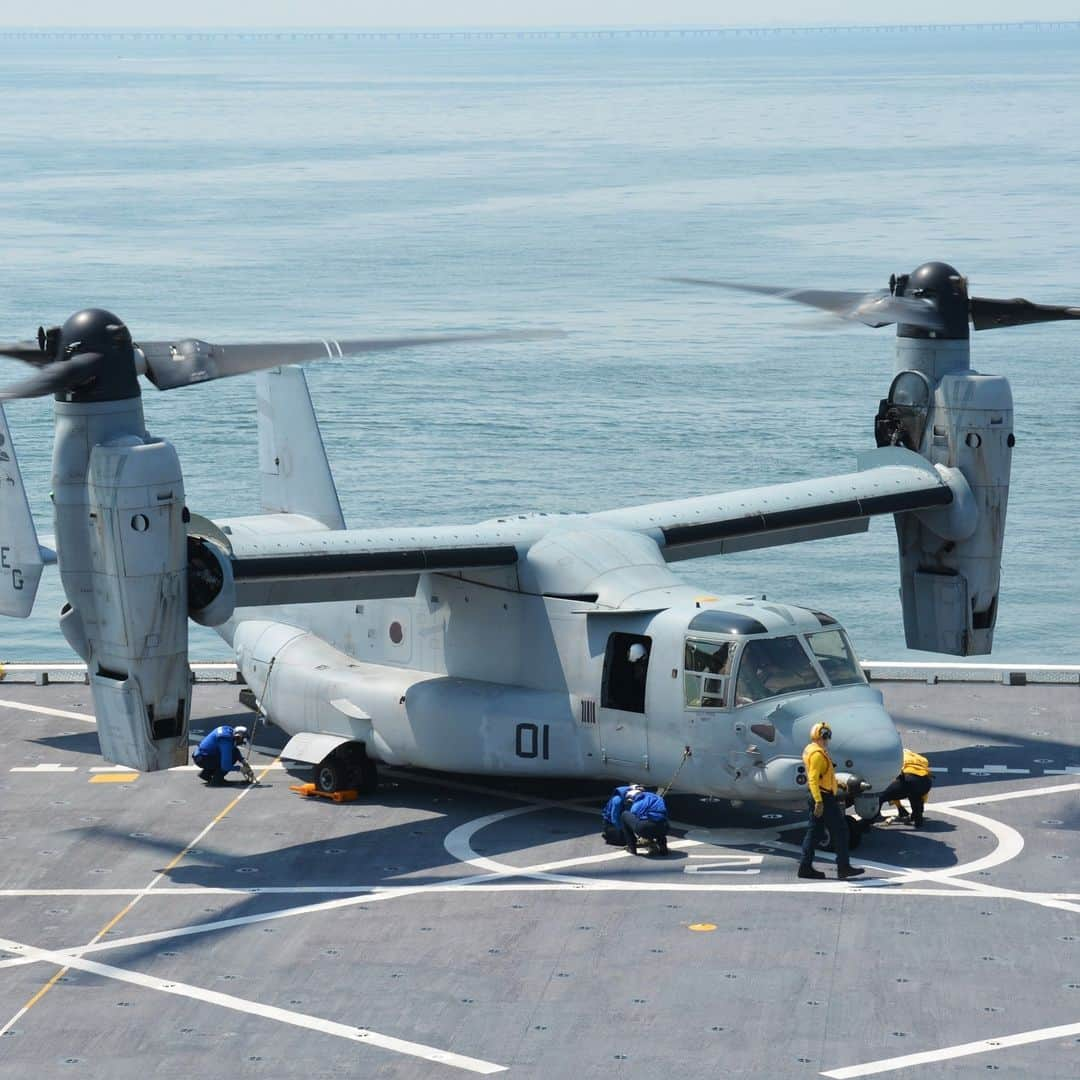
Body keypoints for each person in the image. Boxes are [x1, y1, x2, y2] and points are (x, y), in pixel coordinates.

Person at [798, 721, 863, 880]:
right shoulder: (818, 755)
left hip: (820, 795)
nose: (827, 739)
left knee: (815, 833)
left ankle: (805, 867)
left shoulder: (811, 749)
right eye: (825, 736)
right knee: (840, 831)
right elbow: (813, 779)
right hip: (823, 798)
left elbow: (823, 776)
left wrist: (839, 784)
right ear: (819, 736)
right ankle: (843, 867)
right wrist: (819, 801)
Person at [879, 748, 933, 826]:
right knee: (915, 794)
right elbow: (922, 792)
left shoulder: (892, 757)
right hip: (926, 782)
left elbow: (892, 784)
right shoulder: (920, 758)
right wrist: (920, 809)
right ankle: (917, 818)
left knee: (881, 796)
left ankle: (867, 822)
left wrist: (899, 807)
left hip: (908, 779)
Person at [621, 785, 669, 856]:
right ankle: (663, 848)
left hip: (645, 828)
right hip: (664, 827)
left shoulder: (636, 805)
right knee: (659, 819)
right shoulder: (657, 797)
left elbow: (637, 817)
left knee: (624, 815)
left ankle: (632, 848)